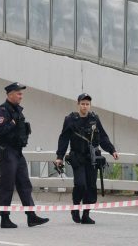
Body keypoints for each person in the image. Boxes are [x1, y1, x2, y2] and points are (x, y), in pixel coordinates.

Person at [55, 93, 119, 224]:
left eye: (87, 104)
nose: (85, 106)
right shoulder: (71, 119)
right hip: (77, 157)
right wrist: (59, 157)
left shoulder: (94, 119)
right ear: (78, 104)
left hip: (92, 158)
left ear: (90, 105)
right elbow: (64, 138)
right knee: (80, 184)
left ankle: (86, 214)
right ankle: (75, 207)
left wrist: (112, 150)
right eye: (83, 103)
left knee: (90, 186)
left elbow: (103, 137)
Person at [0, 82, 49, 228]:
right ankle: (4, 218)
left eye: (21, 93)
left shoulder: (18, 110)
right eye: (18, 93)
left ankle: (31, 216)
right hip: (7, 151)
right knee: (7, 185)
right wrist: (12, 123)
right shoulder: (3, 110)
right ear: (10, 94)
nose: (21, 96)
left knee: (24, 184)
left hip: (18, 152)